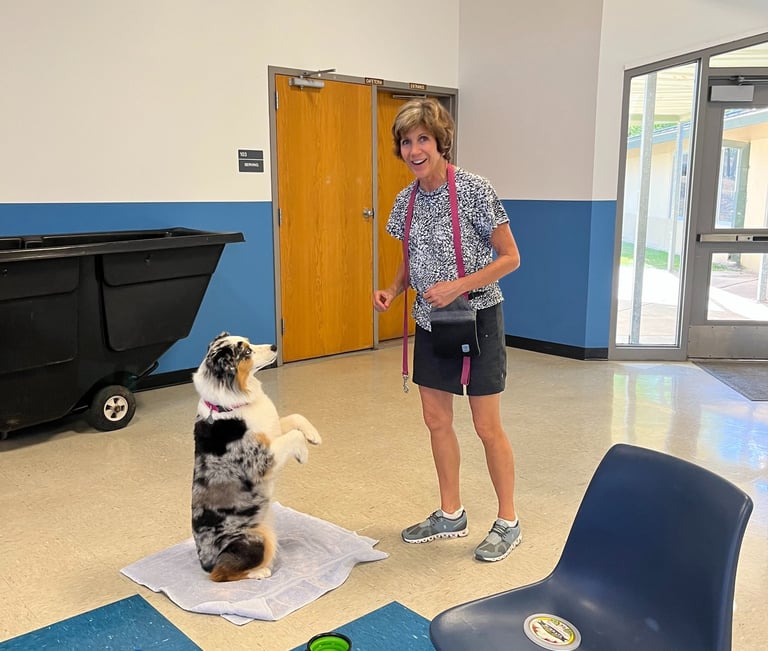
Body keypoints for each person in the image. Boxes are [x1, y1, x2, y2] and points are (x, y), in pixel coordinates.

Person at [373, 97, 522, 562]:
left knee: (486, 426)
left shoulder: (475, 190)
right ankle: (451, 512)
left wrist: (457, 284)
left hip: (477, 318)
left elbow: (510, 258)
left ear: (441, 143)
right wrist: (394, 290)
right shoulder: (406, 200)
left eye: (423, 140)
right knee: (436, 420)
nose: (414, 150)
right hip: (431, 323)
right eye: (406, 142)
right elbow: (409, 262)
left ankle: (508, 520)